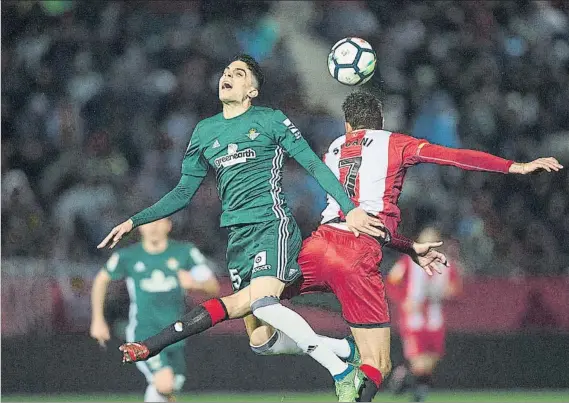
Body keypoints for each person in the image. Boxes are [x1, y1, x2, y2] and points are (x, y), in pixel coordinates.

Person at [98, 54, 387, 401]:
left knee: (265, 303)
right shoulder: (205, 131)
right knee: (261, 342)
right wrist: (134, 220)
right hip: (237, 238)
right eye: (225, 72)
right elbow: (183, 192)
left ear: (252, 90)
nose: (227, 76)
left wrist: (350, 209)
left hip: (271, 225)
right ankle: (344, 350)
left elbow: (313, 163)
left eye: (238, 73)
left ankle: (342, 374)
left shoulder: (270, 120)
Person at [242, 90, 562, 402]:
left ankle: (316, 344)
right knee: (378, 365)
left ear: (347, 125)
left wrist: (408, 247)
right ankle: (342, 360)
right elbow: (453, 156)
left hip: (319, 242)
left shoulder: (334, 148)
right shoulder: (395, 143)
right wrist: (514, 166)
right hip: (358, 255)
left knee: (254, 307)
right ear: (380, 121)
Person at [90, 218, 219, 402]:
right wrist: (97, 319)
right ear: (140, 228)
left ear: (169, 225)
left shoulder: (185, 252)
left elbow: (213, 286)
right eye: (148, 223)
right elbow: (101, 280)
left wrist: (195, 284)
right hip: (144, 332)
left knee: (170, 387)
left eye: (159, 222)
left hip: (176, 333)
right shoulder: (128, 256)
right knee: (164, 382)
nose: (153, 227)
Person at [387, 227, 462, 402]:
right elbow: (391, 283)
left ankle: (404, 374)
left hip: (435, 320)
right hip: (414, 320)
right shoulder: (407, 262)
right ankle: (418, 394)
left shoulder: (447, 264)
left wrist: (448, 292)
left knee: (430, 363)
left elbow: (455, 289)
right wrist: (404, 300)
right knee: (420, 362)